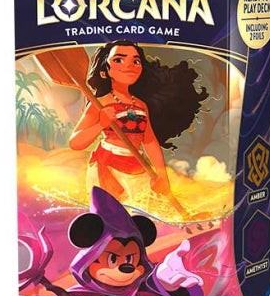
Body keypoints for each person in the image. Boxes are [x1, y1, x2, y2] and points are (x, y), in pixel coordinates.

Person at [69, 40, 207, 202]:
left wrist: (162, 176)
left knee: (144, 208)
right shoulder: (99, 103)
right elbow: (75, 143)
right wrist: (101, 124)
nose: (129, 65)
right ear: (104, 71)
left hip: (138, 168)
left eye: (135, 61)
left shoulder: (141, 105)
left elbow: (149, 141)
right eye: (119, 60)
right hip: (107, 167)